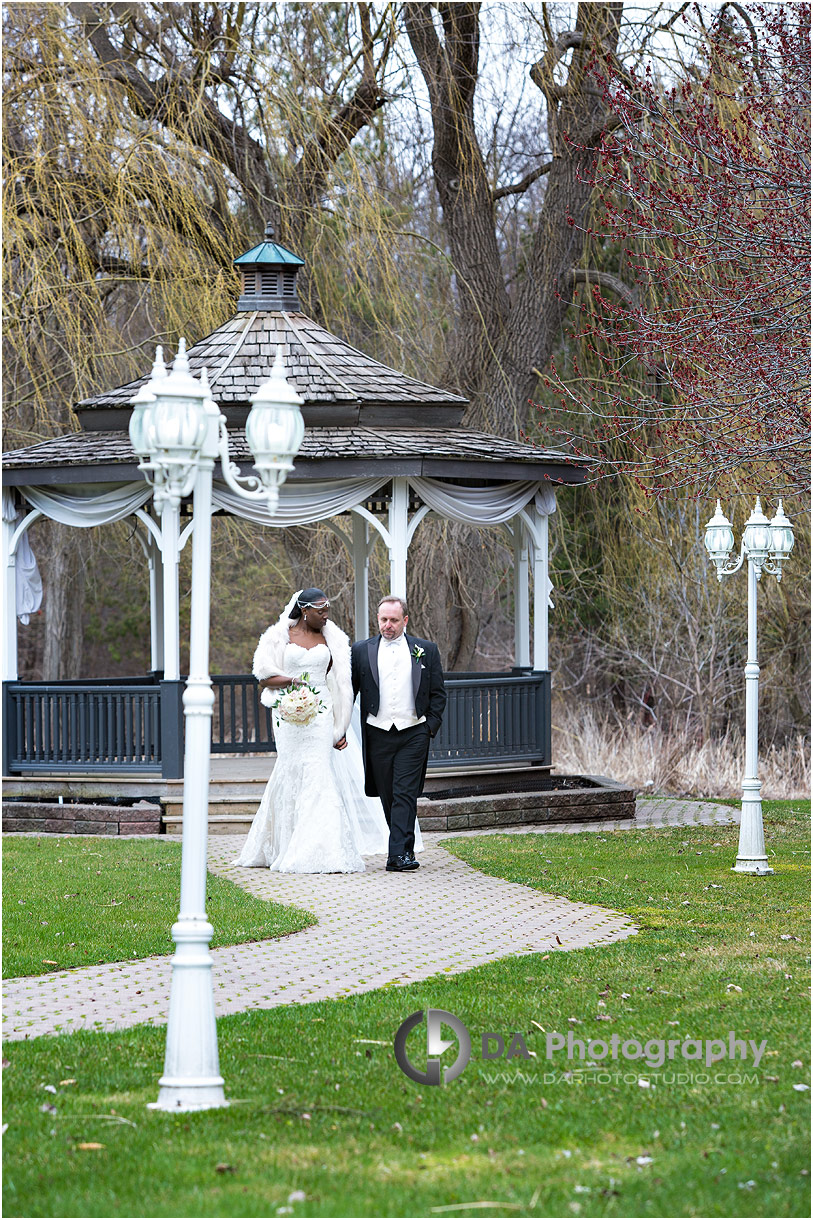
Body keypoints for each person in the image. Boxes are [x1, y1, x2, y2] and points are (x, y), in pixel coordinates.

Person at [235, 588, 407, 873]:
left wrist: (339, 727)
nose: (326, 614)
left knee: (319, 773)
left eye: (327, 609)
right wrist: (291, 684)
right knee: (289, 771)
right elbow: (264, 677)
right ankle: (284, 844)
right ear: (304, 610)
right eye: (320, 610)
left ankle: (322, 848)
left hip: (320, 715)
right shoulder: (278, 636)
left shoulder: (333, 638)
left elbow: (341, 684)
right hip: (288, 716)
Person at [351, 595, 446, 872]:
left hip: (414, 731)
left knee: (405, 792)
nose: (388, 625)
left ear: (405, 620)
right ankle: (402, 849)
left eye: (394, 620)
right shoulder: (360, 651)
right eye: (383, 619)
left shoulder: (426, 650)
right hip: (377, 731)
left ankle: (397, 856)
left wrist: (430, 727)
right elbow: (350, 690)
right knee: (388, 794)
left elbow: (438, 693)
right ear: (377, 619)